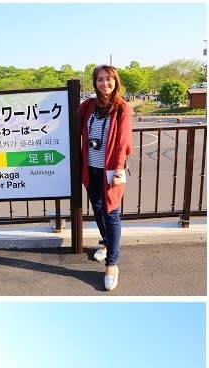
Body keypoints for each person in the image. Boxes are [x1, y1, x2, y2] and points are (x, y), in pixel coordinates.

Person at [78, 64, 133, 291]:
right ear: (95, 82)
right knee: (98, 208)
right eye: (100, 79)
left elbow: (122, 142)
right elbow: (67, 120)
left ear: (115, 81)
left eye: (108, 79)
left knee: (112, 214)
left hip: (110, 170)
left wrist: (119, 170)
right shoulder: (88, 105)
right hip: (91, 168)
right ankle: (107, 244)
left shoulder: (122, 108)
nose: (104, 84)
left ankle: (112, 264)